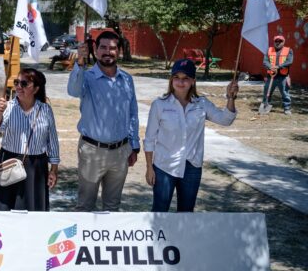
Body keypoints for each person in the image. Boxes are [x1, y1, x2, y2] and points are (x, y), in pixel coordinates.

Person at [144, 59, 238, 212]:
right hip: (164, 166)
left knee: (186, 214)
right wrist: (149, 168)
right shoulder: (159, 105)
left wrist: (231, 98)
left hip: (192, 168)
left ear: (193, 81)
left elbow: (225, 120)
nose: (180, 82)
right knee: (160, 212)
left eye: (186, 78)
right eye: (176, 77)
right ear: (171, 79)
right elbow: (149, 139)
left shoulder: (202, 104)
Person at [67, 31, 139, 211]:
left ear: (119, 51)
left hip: (121, 152)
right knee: (85, 206)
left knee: (113, 207)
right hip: (92, 151)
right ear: (96, 50)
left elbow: (132, 113)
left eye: (112, 48)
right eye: (103, 47)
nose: (108, 52)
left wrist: (134, 145)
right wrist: (80, 62)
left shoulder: (127, 79)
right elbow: (73, 91)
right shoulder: (87, 77)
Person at [0, 69, 60, 211]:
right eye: (16, 82)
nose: (18, 87)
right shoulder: (8, 107)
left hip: (36, 167)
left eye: (24, 83)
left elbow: (52, 141)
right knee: (4, 210)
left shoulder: (45, 110)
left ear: (36, 89)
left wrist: (53, 170)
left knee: (33, 211)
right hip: (9, 163)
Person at [260, 34, 293, 115]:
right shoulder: (269, 50)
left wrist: (278, 67)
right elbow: (265, 61)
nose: (278, 43)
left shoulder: (288, 50)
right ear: (274, 42)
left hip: (283, 77)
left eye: (280, 41)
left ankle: (287, 108)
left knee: (285, 93)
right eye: (276, 41)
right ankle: (265, 106)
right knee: (267, 92)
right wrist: (270, 67)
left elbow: (289, 62)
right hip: (271, 76)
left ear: (283, 42)